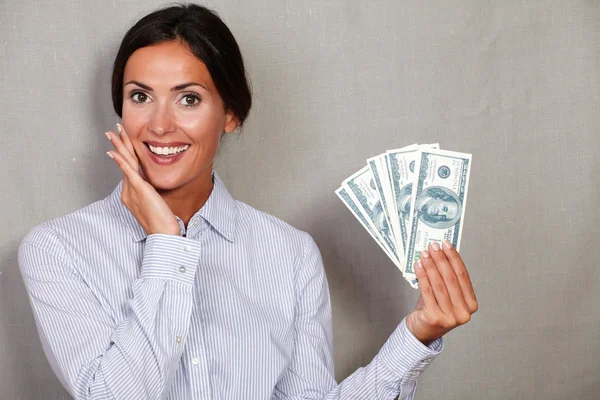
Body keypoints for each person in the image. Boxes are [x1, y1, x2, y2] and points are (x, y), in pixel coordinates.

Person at [18, 4, 478, 399]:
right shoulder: (58, 250)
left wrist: (417, 337)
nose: (158, 125)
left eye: (189, 99)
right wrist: (166, 245)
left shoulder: (290, 254)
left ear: (231, 115)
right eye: (141, 96)